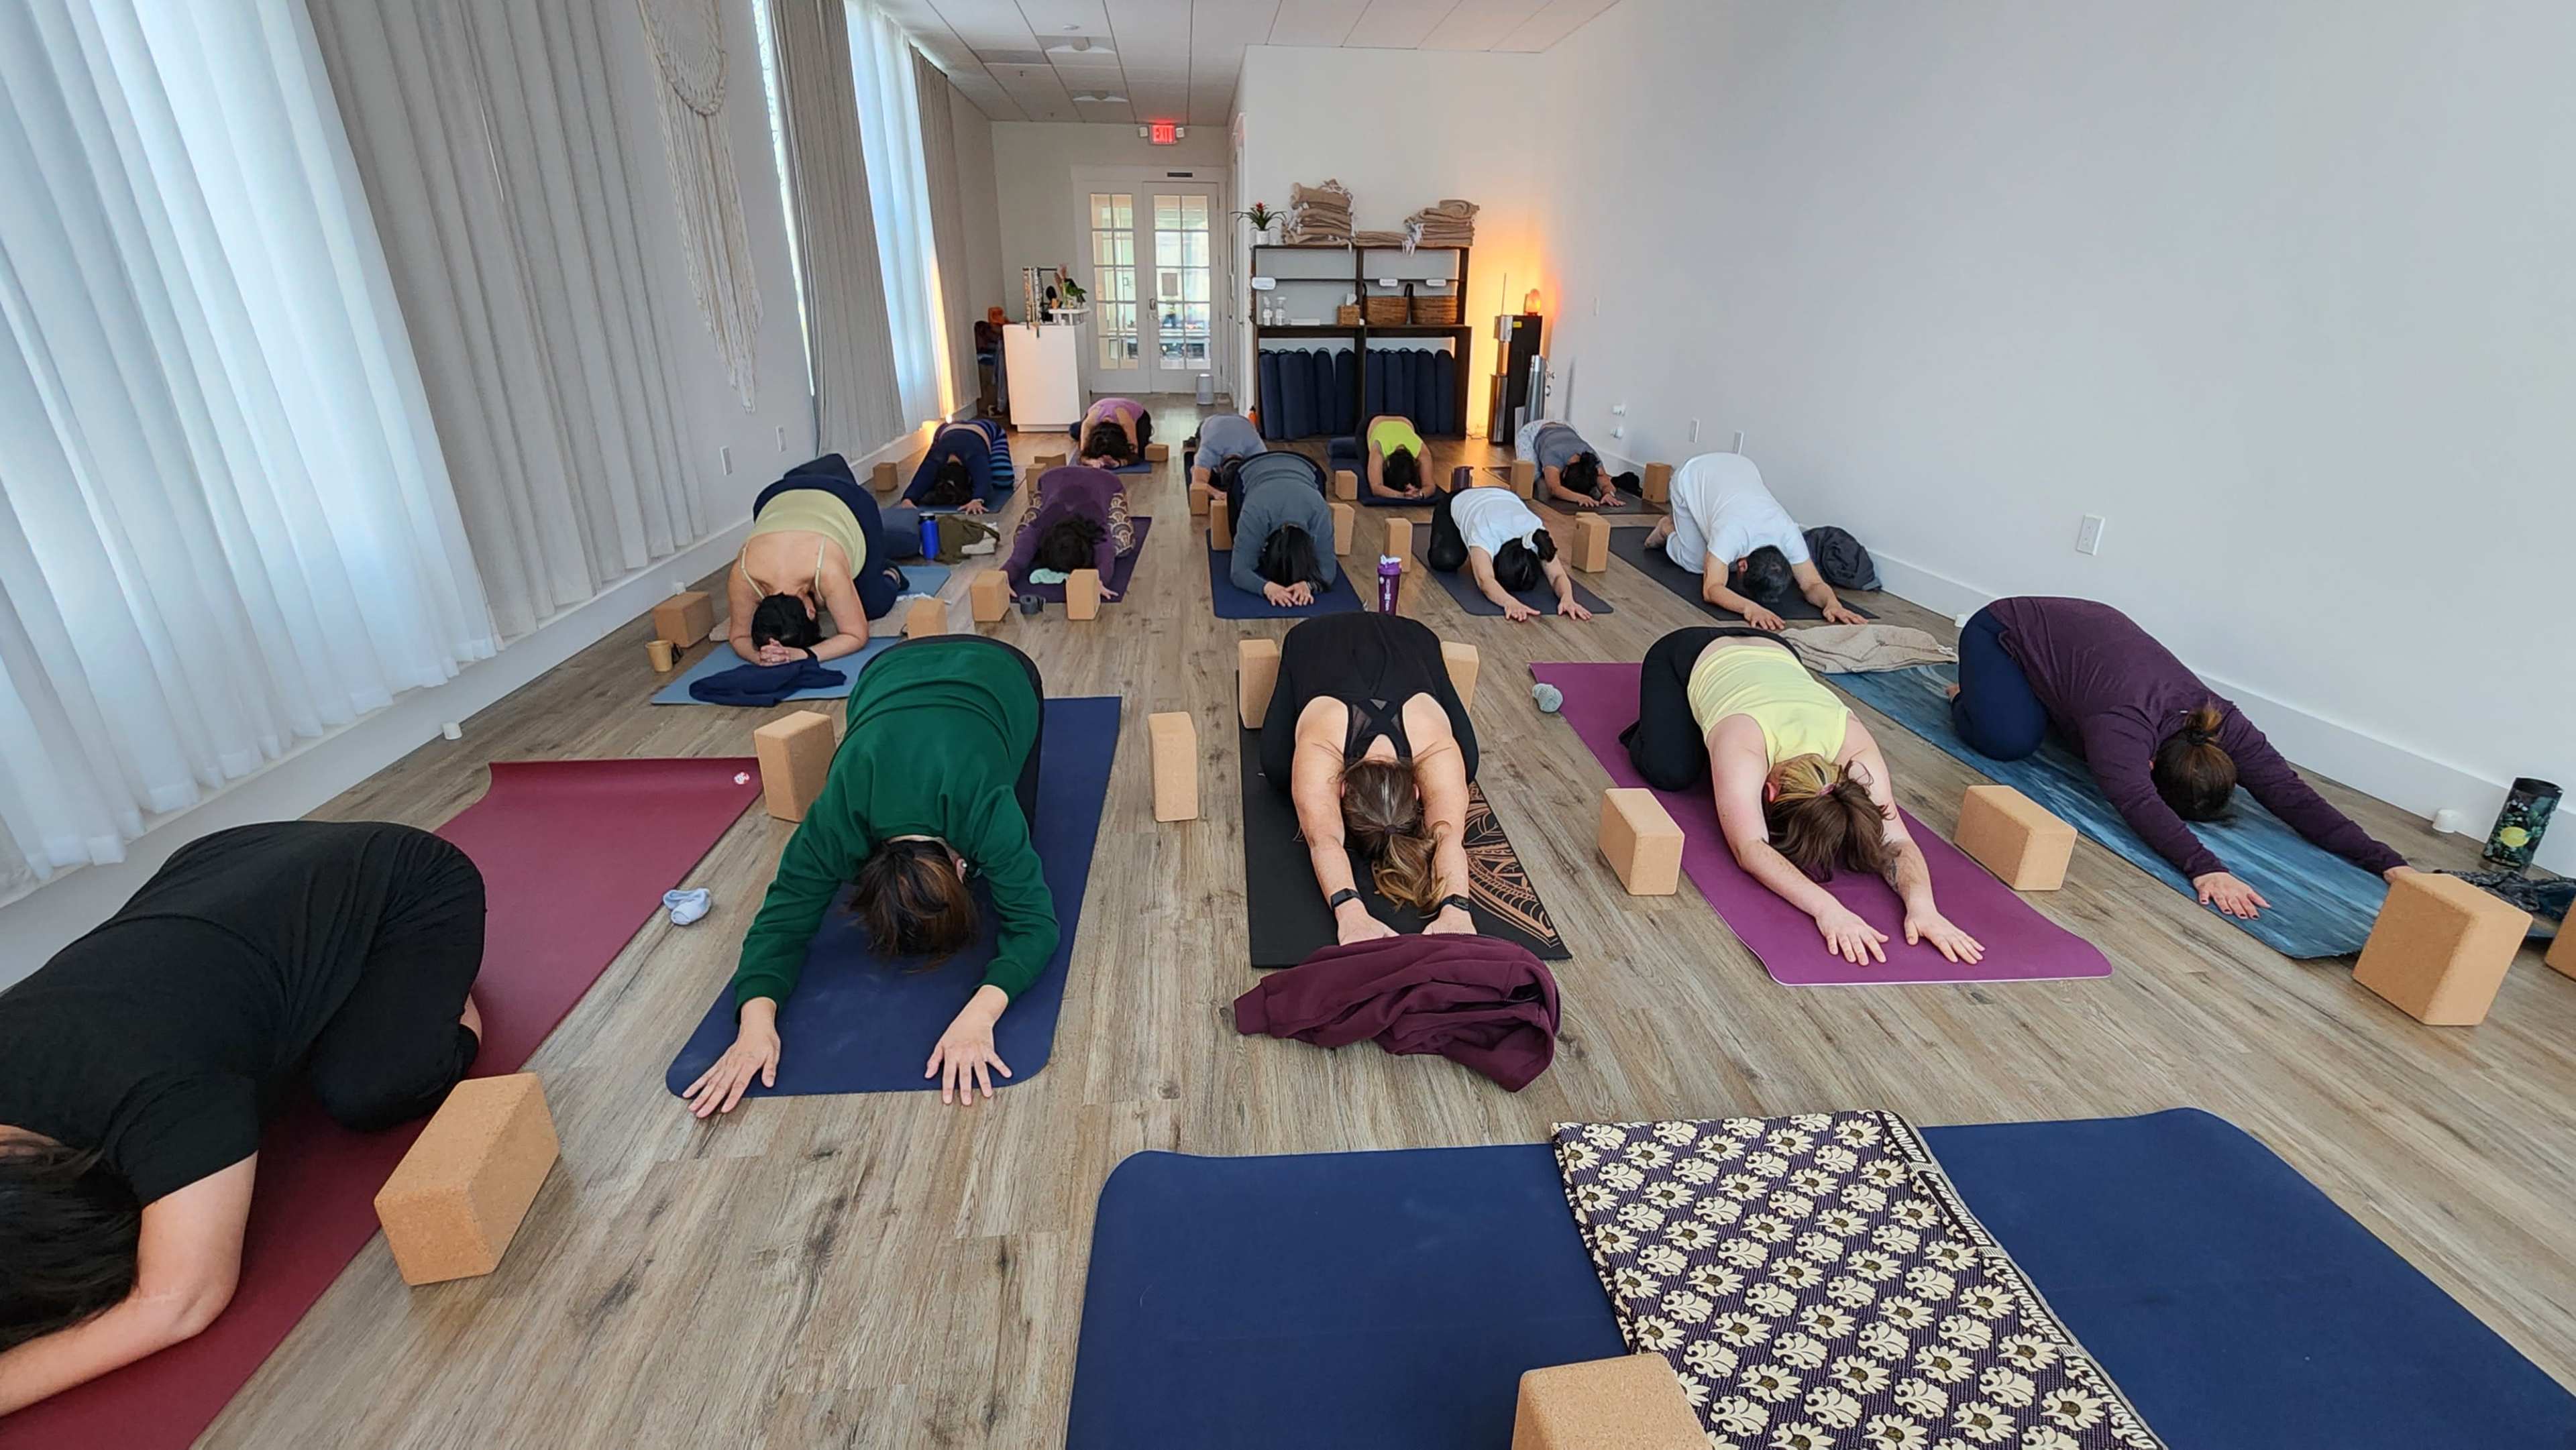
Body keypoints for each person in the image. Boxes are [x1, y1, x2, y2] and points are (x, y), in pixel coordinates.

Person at [0, 822, 484, 1413]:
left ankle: (436, 992)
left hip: (404, 881)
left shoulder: (158, 1099)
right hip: (221, 859)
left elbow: (179, 1301)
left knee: (376, 1090)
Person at [684, 636, 1053, 1114]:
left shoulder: (986, 809)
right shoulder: (837, 822)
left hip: (1000, 673)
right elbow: (780, 925)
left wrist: (980, 1016)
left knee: (1028, 832)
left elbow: (1037, 926)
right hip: (889, 672)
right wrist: (754, 1025)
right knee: (1012, 854)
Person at [1947, 597, 2416, 919]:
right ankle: (1968, 694)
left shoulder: (2221, 721)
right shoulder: (2122, 729)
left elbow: (2290, 792)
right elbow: (2138, 803)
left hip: (2088, 644)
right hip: (2004, 628)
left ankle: (2031, 695)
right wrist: (2206, 866)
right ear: (2150, 765)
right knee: (2008, 742)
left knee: (2069, 731)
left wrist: (2384, 861)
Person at [1625, 628, 1983, 966]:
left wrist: (1923, 907)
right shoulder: (1746, 746)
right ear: (1770, 793)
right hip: (1688, 653)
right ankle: (1670, 724)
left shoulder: (1856, 755)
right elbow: (1750, 847)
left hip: (1778, 650)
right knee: (1671, 771)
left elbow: (1898, 839)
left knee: (1718, 771)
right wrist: (1828, 909)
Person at [1258, 614, 1480, 943]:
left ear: (1417, 790)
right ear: (1419, 791)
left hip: (1411, 634)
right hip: (1321, 637)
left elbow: (1327, 840)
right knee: (1277, 768)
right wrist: (1350, 913)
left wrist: (1457, 911)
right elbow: (1324, 838)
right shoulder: (1325, 740)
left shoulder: (1432, 745)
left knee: (1467, 764)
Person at [732, 455, 920, 666]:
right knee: (850, 599)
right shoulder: (743, 574)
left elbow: (857, 635)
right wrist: (757, 656)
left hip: (851, 502)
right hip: (775, 495)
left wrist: (804, 654)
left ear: (812, 612)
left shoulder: (827, 571)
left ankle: (890, 572)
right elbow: (739, 637)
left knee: (872, 604)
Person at [1642, 453, 1865, 630]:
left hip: (1741, 468)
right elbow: (1711, 590)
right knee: (1695, 564)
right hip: (1693, 474)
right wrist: (1750, 608)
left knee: (1715, 559)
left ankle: (1703, 540)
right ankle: (1667, 528)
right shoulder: (1730, 533)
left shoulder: (1788, 533)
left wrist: (1832, 604)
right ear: (1743, 564)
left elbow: (1812, 584)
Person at [1427, 482, 1593, 623]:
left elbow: (1557, 576)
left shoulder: (1535, 531)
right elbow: (1485, 580)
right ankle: (1464, 537)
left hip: (1503, 496)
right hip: (1459, 500)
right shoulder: (1485, 532)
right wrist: (1509, 602)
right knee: (1445, 560)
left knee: (1538, 570)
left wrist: (1568, 598)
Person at [1004, 464, 1137, 600]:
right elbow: (1016, 561)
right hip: (1051, 477)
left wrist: (1099, 580)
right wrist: (1004, 577)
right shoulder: (1041, 525)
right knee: (1022, 540)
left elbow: (1106, 557)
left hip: (1106, 480)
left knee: (1123, 545)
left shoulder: (1095, 524)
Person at [1224, 451, 1339, 608]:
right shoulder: (1255, 511)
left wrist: (1308, 585)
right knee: (1238, 544)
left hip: (1307, 466)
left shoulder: (1318, 509)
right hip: (1249, 469)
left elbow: (1329, 568)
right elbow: (1238, 571)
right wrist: (1268, 588)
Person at [905, 419, 1012, 514]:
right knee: (929, 475)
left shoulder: (974, 456)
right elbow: (922, 476)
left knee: (1003, 480)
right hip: (945, 429)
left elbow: (984, 479)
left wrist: (977, 500)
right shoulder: (936, 456)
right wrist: (909, 499)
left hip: (988, 429)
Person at [1518, 419, 1616, 509]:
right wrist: (1579, 498)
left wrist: (1608, 494)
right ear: (1564, 473)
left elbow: (1606, 482)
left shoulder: (1592, 460)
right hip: (1535, 431)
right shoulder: (1554, 457)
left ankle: (1550, 474)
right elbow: (1554, 489)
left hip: (1566, 427)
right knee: (1530, 475)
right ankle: (1546, 470)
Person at [1189, 410, 1266, 512]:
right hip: (1211, 421)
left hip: (1242, 422)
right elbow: (1197, 484)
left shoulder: (1254, 447)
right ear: (1220, 469)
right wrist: (1217, 494)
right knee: (1196, 465)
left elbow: (1266, 477)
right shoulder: (1210, 450)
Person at [1362, 414, 1436, 502]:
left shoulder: (1420, 451)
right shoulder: (1379, 450)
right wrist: (1402, 496)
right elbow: (1376, 487)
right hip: (1374, 423)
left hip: (1406, 422)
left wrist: (1419, 494)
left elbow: (1430, 486)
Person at [1076, 397, 1151, 469]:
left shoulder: (1125, 423)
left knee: (1142, 450)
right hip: (1097, 409)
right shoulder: (1089, 424)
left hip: (1137, 415)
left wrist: (1119, 462)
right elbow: (1082, 454)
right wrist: (1090, 461)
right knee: (1076, 432)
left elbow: (1135, 452)